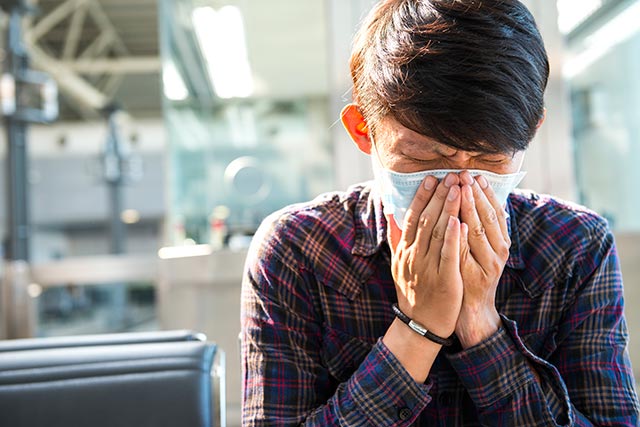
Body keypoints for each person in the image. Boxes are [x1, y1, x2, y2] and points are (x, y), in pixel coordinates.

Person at [240, 0, 640, 425]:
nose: (460, 186)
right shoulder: (299, 250)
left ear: (531, 131)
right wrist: (417, 328)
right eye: (423, 158)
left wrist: (480, 323)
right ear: (363, 130)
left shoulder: (575, 246)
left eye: (490, 159)